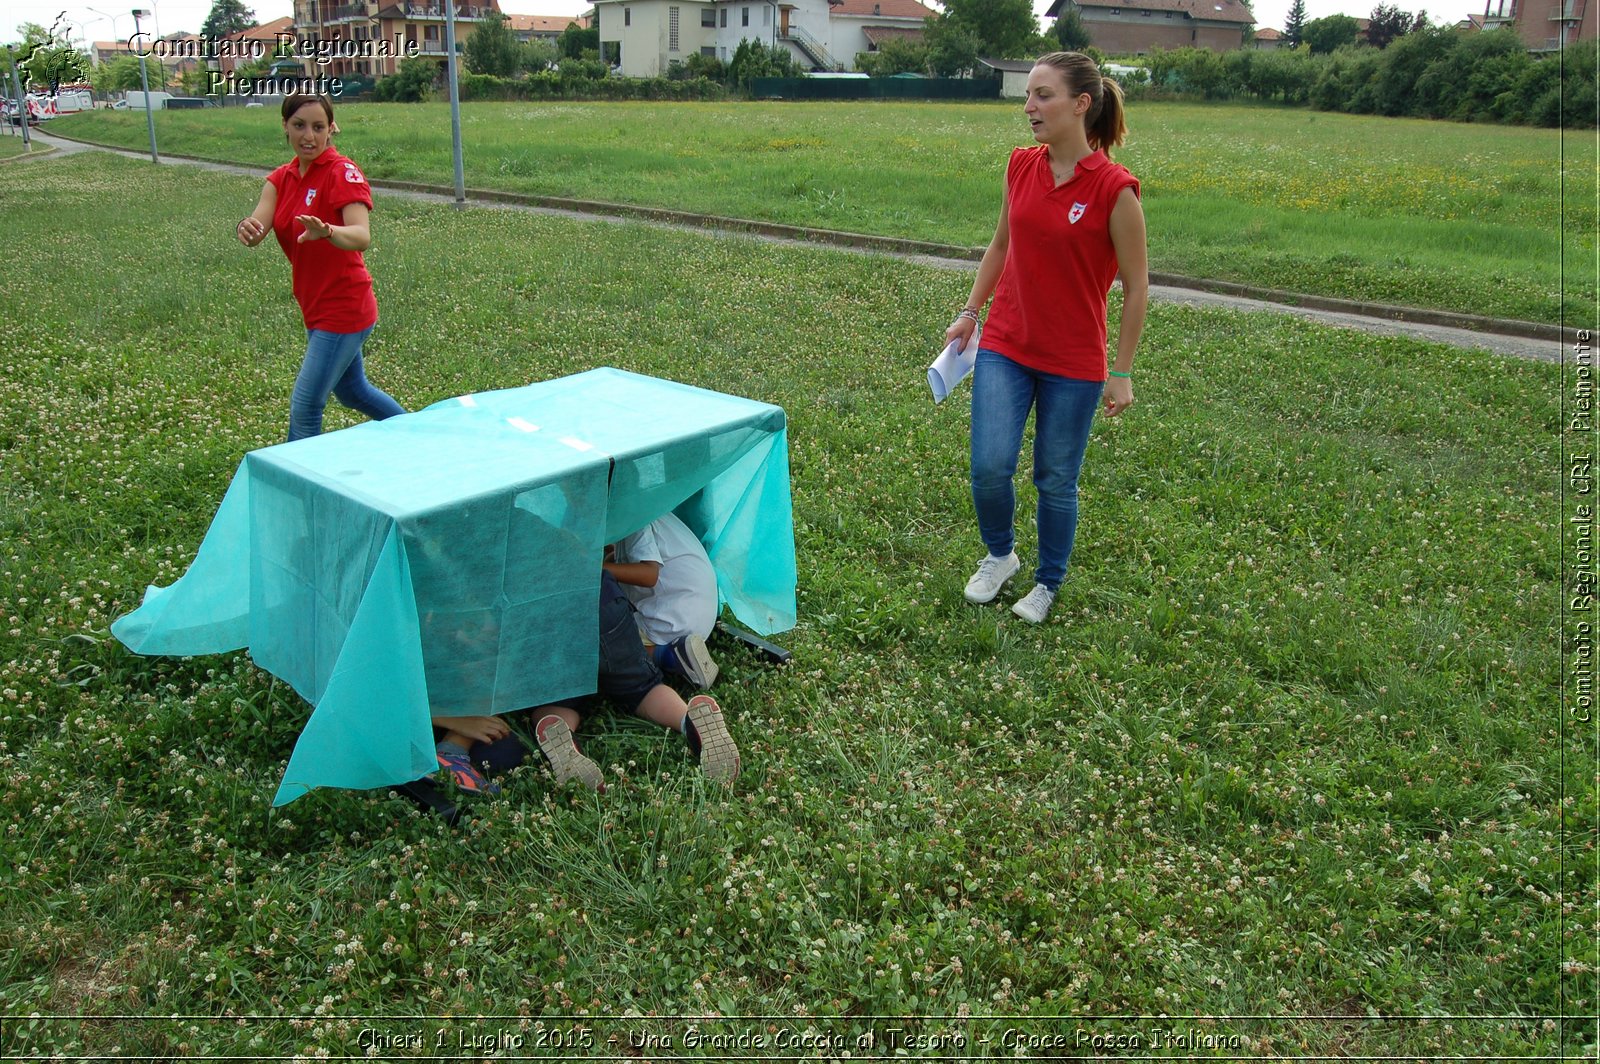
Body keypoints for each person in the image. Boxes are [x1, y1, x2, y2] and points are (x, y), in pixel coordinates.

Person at [944, 51, 1149, 625]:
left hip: (1074, 362)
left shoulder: (1115, 189)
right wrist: (969, 311)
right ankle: (1000, 555)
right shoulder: (1020, 166)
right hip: (1007, 343)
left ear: (1081, 104)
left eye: (1043, 95)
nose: (1029, 106)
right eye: (1028, 95)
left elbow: (1137, 287)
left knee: (1056, 478)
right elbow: (1000, 246)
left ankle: (1047, 582)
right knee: (989, 466)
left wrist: (1123, 370)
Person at [431, 570, 740, 795]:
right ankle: (689, 721)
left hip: (539, 619)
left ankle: (559, 730)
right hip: (597, 595)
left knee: (556, 694)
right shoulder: (536, 512)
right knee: (641, 687)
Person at [236, 93, 406, 442]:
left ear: (331, 129)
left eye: (317, 127)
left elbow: (361, 236)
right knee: (353, 392)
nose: (308, 136)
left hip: (345, 306)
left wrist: (327, 231)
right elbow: (258, 226)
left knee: (306, 406)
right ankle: (419, 437)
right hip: (314, 305)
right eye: (299, 126)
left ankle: (298, 493)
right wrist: (247, 229)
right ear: (285, 126)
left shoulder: (341, 173)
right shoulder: (280, 180)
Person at [605, 513, 720, 688]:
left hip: (674, 621)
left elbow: (649, 574)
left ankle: (668, 656)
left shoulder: (636, 519)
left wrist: (598, 569)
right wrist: (610, 560)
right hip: (699, 616)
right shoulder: (655, 511)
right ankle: (682, 650)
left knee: (606, 641)